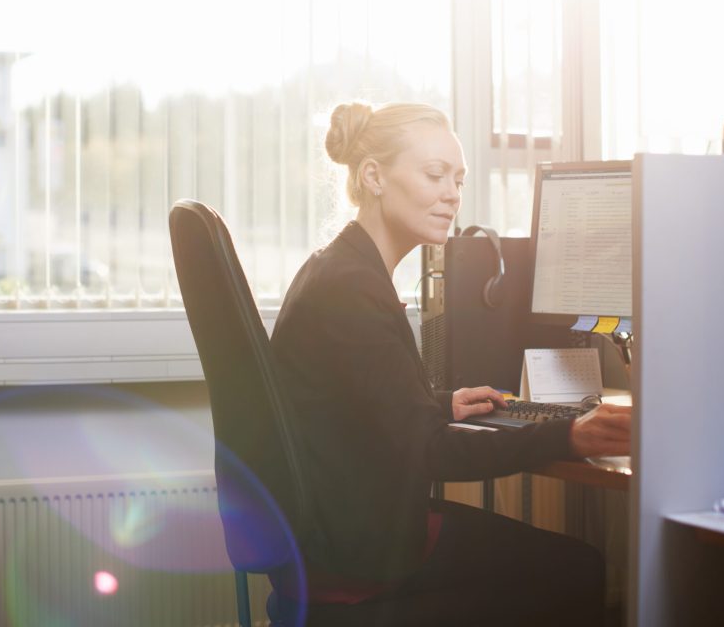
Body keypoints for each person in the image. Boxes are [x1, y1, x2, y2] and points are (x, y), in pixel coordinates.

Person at [270, 101, 631, 626]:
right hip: (359, 552)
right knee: (577, 567)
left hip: (340, 531)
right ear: (374, 177)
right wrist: (569, 435)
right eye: (435, 175)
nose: (452, 195)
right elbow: (430, 453)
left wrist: (438, 403)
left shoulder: (341, 268)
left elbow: (353, 403)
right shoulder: (350, 289)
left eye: (458, 180)